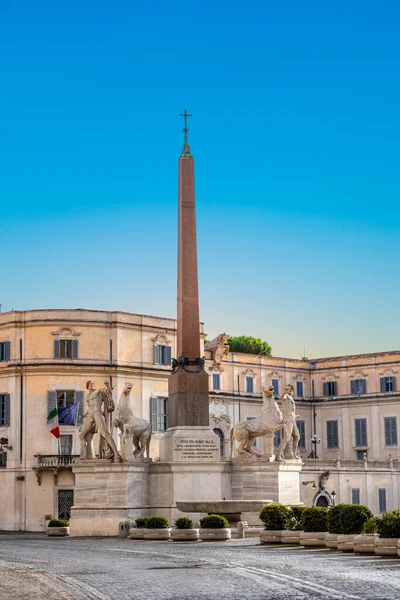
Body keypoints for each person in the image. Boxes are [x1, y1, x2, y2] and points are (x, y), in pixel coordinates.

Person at [79, 380, 121, 462]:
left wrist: (107, 385)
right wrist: (84, 415)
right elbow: (90, 408)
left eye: (93, 383)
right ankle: (85, 456)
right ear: (87, 386)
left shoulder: (98, 391)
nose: (92, 384)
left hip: (97, 413)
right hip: (90, 415)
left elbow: (108, 391)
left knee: (105, 434)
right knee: (81, 435)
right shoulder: (88, 396)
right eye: (90, 384)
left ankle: (116, 453)